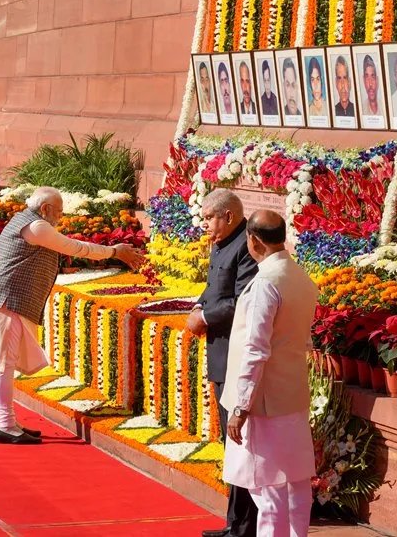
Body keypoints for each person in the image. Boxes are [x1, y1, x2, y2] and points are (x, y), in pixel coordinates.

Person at [0, 187, 145, 444]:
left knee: (7, 362)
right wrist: (115, 252)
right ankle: (5, 425)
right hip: (7, 300)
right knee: (5, 363)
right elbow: (75, 248)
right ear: (44, 209)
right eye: (58, 211)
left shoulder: (25, 219)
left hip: (7, 299)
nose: (61, 216)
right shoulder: (37, 227)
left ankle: (9, 422)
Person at [221, 210, 318, 537]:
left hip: (263, 401)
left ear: (253, 240)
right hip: (292, 394)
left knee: (268, 486)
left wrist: (240, 407)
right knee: (297, 480)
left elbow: (256, 350)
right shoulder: (300, 277)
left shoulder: (265, 283)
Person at [186, 189, 259, 537]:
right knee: (229, 444)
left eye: (208, 217)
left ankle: (244, 527)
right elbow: (213, 288)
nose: (204, 224)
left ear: (227, 217)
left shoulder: (245, 245)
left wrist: (204, 317)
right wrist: (198, 307)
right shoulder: (222, 241)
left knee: (238, 442)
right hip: (220, 352)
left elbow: (241, 301)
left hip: (234, 354)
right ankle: (234, 523)